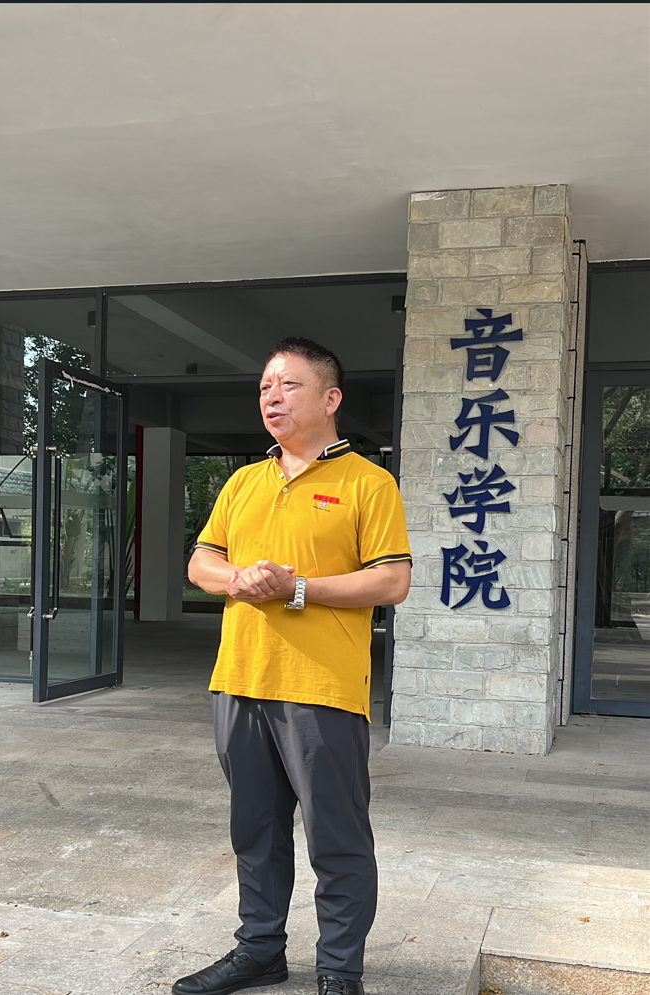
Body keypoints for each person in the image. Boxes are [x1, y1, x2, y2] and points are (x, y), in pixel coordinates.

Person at [173, 338, 411, 995]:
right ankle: (259, 951)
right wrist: (237, 577)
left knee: (336, 837)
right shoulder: (244, 482)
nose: (271, 398)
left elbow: (392, 580)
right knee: (255, 830)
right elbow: (201, 560)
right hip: (239, 680)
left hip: (322, 688)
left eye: (288, 385)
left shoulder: (368, 482)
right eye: (264, 388)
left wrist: (298, 587)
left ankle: (339, 969)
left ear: (331, 399)